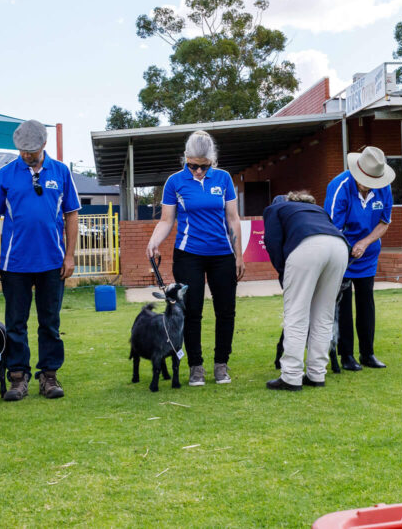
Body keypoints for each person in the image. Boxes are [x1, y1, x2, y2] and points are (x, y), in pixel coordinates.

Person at [0, 119, 80, 401]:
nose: (26, 155)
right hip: (15, 264)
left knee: (50, 322)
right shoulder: (5, 175)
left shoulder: (60, 172)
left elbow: (71, 215)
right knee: (15, 322)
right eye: (21, 150)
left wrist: (70, 255)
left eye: (31, 151)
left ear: (43, 145)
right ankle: (17, 376)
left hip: (53, 262)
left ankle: (49, 375)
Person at [146, 130, 244, 388]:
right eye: (192, 166)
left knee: (226, 311)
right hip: (188, 255)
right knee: (191, 312)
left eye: (203, 166)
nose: (198, 171)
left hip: (223, 254)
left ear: (212, 161)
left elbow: (233, 218)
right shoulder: (174, 182)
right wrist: (153, 242)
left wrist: (239, 255)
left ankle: (221, 364)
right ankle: (195, 367)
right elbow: (166, 220)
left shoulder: (223, 179)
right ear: (185, 159)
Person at [262, 191, 349, 391]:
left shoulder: (275, 208)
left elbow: (272, 243)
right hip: (339, 247)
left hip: (308, 247)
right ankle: (317, 374)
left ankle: (291, 376)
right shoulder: (318, 210)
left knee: (296, 315)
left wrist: (283, 272)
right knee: (324, 316)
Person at [324, 145, 395, 371]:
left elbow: (384, 222)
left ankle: (368, 353)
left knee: (366, 303)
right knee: (343, 306)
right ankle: (347, 356)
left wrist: (365, 242)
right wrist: (348, 247)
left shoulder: (384, 188)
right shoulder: (339, 187)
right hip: (342, 253)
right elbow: (330, 228)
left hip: (368, 254)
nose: (371, 186)